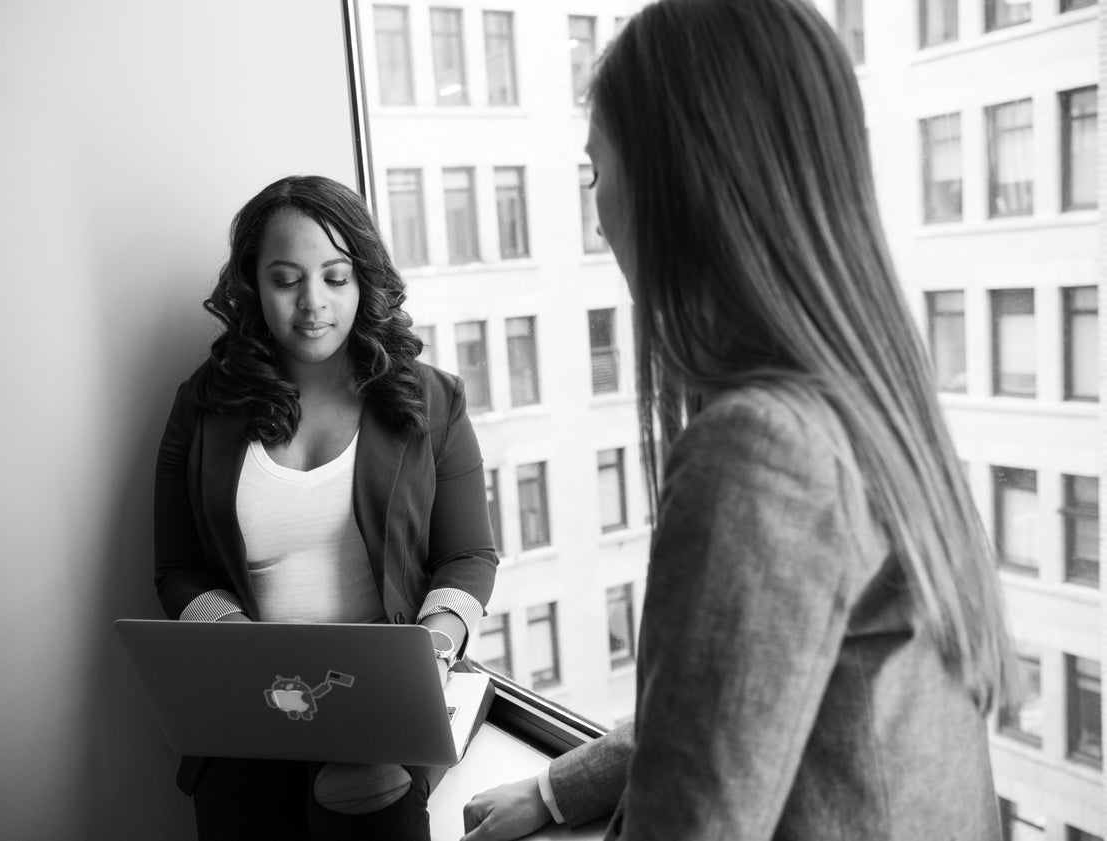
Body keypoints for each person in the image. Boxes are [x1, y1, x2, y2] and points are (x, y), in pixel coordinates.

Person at [460, 1, 1014, 839]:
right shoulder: (859, 397)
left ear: (678, 186)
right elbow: (740, 687)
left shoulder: (759, 451)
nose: (597, 217)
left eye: (596, 173)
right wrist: (554, 789)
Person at [153, 174, 498, 840]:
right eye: (286, 280)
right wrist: (239, 647)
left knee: (364, 797)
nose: (313, 303)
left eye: (335, 278)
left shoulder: (434, 401)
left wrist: (428, 654)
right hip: (253, 704)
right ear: (253, 286)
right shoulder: (202, 406)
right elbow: (179, 570)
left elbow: (468, 557)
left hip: (382, 704)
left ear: (363, 280)